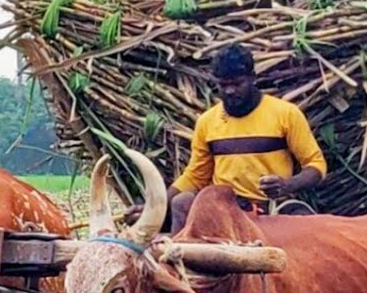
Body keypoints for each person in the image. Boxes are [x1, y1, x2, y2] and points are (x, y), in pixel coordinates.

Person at [125, 44, 327, 233]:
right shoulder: (207, 122)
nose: (230, 91)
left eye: (237, 84)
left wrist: (286, 185)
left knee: (311, 234)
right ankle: (179, 265)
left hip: (273, 209)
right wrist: (153, 207)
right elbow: (195, 176)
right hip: (223, 208)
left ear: (253, 78)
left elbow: (316, 165)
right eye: (223, 85)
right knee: (181, 202)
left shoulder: (285, 114)